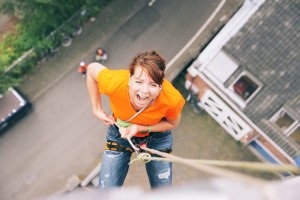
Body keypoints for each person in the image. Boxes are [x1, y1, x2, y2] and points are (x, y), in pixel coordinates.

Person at [86, 50, 185, 189]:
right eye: (139, 81)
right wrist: (96, 108)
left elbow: (172, 123)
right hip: (121, 134)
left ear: (160, 86)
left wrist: (140, 128)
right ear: (129, 79)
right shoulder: (115, 82)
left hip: (157, 137)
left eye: (153, 85)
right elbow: (91, 69)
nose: (144, 91)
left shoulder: (172, 99)